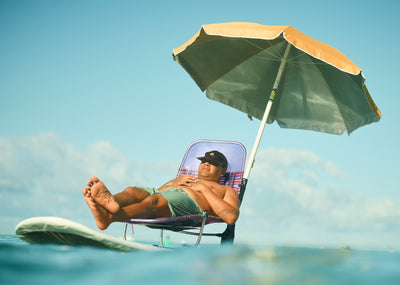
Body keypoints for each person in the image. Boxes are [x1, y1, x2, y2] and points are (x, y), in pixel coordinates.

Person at [82, 150, 239, 230]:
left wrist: (204, 189)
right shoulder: (185, 178)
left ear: (222, 171)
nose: (205, 164)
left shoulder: (226, 190)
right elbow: (160, 191)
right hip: (166, 195)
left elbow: (231, 217)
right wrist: (172, 182)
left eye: (212, 163)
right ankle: (108, 204)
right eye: (204, 161)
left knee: (153, 201)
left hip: (189, 205)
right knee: (133, 191)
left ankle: (109, 217)